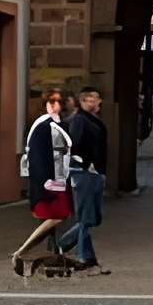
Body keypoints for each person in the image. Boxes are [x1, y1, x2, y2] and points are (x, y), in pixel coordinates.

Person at [12, 88, 74, 276]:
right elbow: (38, 158)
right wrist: (45, 182)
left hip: (58, 179)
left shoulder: (56, 124)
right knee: (58, 216)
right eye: (51, 101)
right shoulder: (43, 126)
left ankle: (56, 256)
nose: (54, 104)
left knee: (55, 220)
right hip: (50, 182)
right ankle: (20, 252)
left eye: (57, 101)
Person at [60, 84, 110, 274]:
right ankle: (84, 257)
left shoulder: (91, 119)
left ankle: (62, 245)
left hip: (93, 172)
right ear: (83, 101)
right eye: (92, 99)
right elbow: (75, 145)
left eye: (97, 98)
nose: (97, 102)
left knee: (92, 218)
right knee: (87, 217)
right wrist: (87, 165)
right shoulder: (80, 120)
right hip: (85, 173)